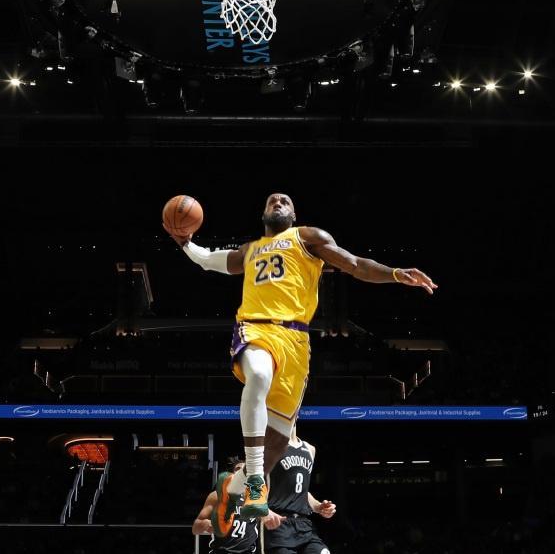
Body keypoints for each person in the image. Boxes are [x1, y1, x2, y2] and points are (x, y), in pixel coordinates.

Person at [167, 192, 437, 535]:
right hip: (256, 327)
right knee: (258, 375)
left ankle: (230, 488)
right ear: (263, 214)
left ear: (293, 214)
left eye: (284, 201)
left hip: (296, 342)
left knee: (278, 443)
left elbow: (355, 264)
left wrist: (396, 273)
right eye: (272, 201)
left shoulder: (308, 237)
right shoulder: (250, 250)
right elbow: (207, 259)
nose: (278, 201)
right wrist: (185, 242)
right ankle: (254, 484)